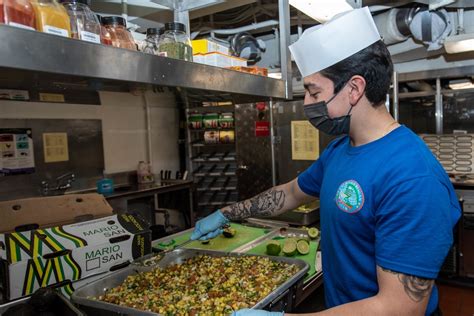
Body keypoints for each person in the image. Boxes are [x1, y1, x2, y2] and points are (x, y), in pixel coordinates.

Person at [190, 7, 461, 316]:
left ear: (355, 89)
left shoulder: (413, 177)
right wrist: (227, 213)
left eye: (312, 90)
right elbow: (291, 193)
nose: (306, 102)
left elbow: (399, 309)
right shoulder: (340, 150)